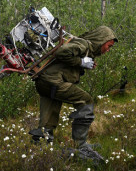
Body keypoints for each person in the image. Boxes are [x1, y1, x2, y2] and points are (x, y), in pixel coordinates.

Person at [29, 26, 117, 161]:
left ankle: (40, 147)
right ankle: (81, 145)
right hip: (53, 82)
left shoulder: (84, 46)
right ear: (101, 40)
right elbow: (62, 53)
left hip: (45, 81)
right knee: (85, 100)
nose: (108, 50)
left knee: (48, 117)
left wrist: (82, 64)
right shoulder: (84, 44)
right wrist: (81, 62)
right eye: (108, 46)